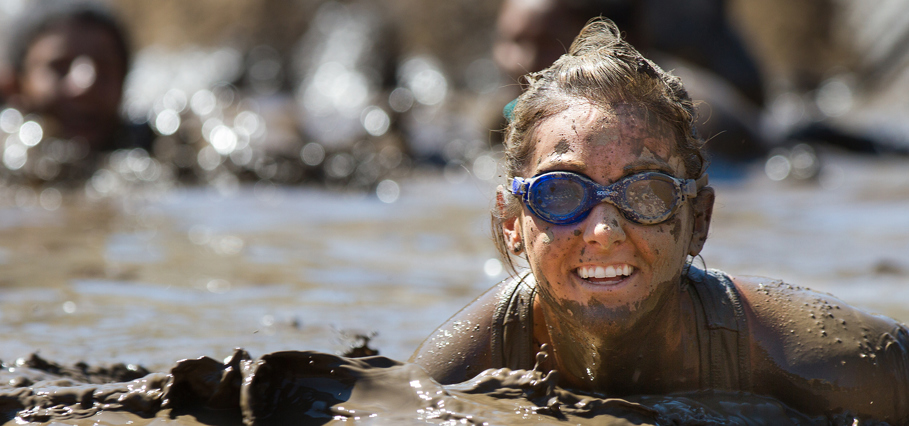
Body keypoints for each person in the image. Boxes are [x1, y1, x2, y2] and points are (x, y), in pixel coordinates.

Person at [412, 19, 909, 423]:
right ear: (511, 222)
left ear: (698, 221)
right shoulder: (466, 365)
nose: (603, 231)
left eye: (646, 194)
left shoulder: (816, 360)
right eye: (560, 193)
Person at [0, 0, 150, 152]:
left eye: (104, 68)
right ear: (13, 86)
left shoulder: (153, 149)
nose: (85, 85)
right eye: (60, 67)